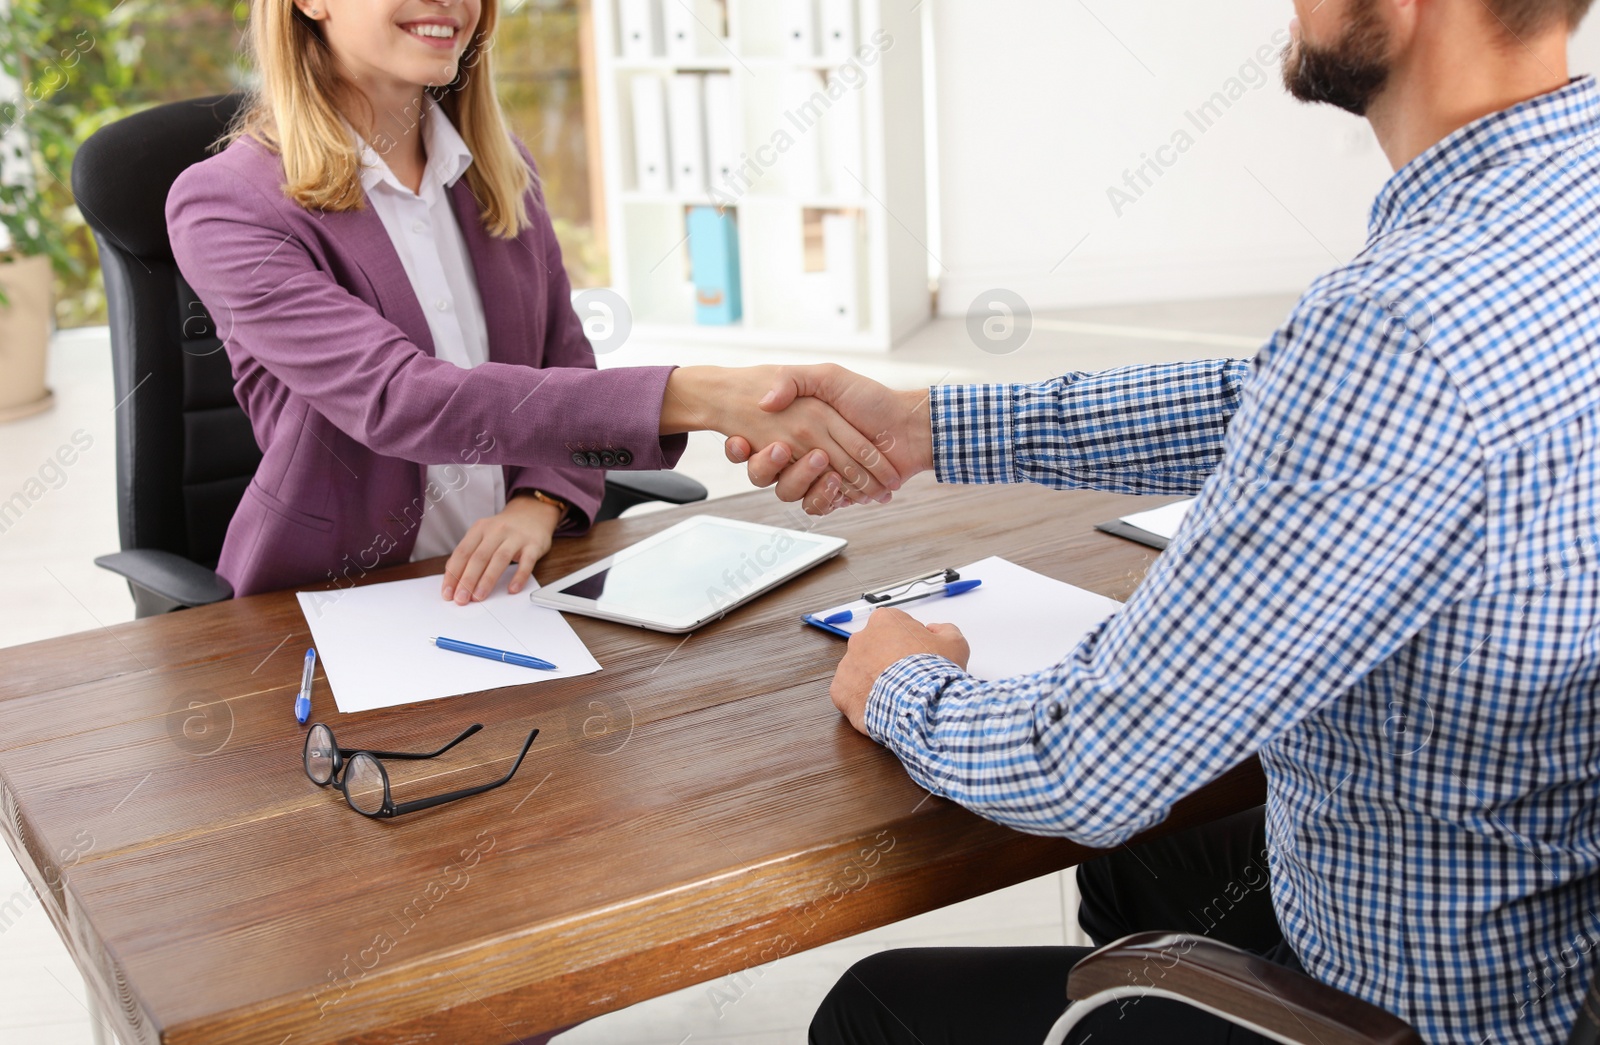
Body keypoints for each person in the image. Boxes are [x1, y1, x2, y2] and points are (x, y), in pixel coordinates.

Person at [727, 0, 1600, 1040]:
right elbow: (1280, 397)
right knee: (1147, 865)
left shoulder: (1399, 323)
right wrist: (924, 425)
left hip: (1413, 1004)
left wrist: (900, 681)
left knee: (877, 1008)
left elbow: (1083, 766)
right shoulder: (1550, 211)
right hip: (1540, 925)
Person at [166, 0, 898, 601]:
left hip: (520, 585)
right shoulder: (226, 204)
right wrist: (699, 396)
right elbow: (401, 398)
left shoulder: (502, 170)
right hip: (328, 602)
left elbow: (565, 366)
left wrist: (540, 502)